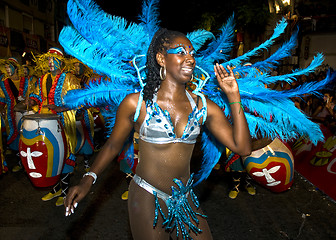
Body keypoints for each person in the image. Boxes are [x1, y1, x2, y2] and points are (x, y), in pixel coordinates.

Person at [64, 29, 252, 239]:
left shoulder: (203, 107)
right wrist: (88, 179)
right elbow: (112, 145)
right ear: (161, 58)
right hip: (146, 195)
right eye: (181, 52)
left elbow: (242, 147)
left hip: (184, 198)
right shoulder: (137, 104)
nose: (190, 58)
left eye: (192, 53)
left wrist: (234, 96)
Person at [27, 48, 81, 206]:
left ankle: (64, 191)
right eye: (48, 60)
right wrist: (31, 101)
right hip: (45, 122)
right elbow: (37, 95)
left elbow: (78, 100)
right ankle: (55, 187)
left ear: (60, 62)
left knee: (63, 153)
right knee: (50, 154)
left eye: (53, 59)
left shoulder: (69, 78)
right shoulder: (43, 78)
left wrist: (61, 108)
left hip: (63, 120)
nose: (50, 62)